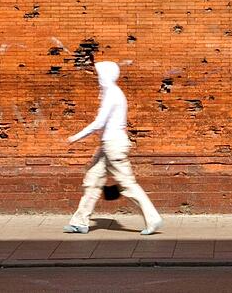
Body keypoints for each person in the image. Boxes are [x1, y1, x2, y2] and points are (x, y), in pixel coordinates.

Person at [63, 61, 163, 235]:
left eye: (100, 74)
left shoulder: (113, 95)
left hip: (114, 146)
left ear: (106, 75)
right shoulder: (111, 93)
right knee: (92, 181)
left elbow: (99, 122)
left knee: (127, 184)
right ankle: (80, 222)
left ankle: (153, 219)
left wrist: (76, 137)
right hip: (108, 145)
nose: (98, 78)